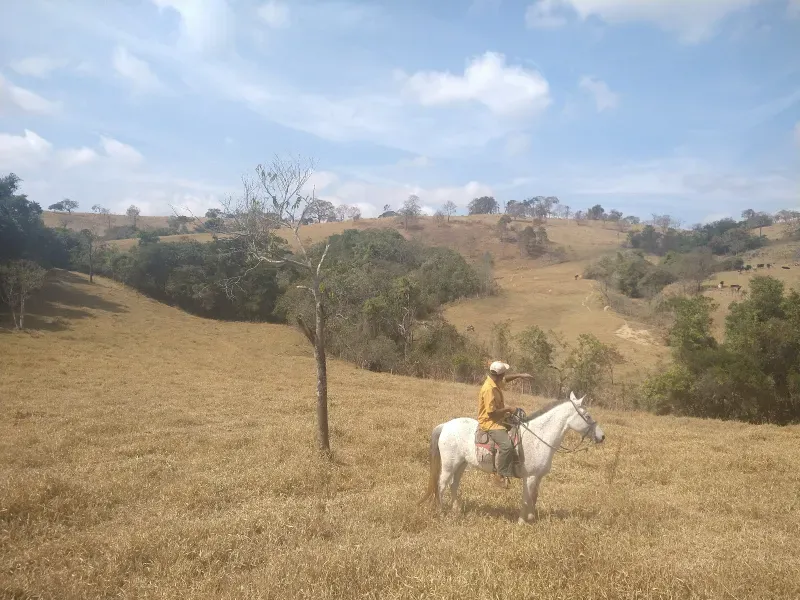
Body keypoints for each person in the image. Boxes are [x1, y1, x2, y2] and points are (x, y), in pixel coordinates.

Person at [477, 361, 534, 489]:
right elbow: (491, 413)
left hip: (499, 417)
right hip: (490, 422)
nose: (505, 376)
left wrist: (520, 375)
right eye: (504, 374)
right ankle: (499, 475)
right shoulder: (489, 389)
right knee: (507, 446)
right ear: (499, 375)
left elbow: (505, 380)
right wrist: (509, 409)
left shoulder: (495, 381)